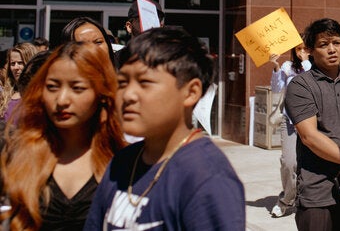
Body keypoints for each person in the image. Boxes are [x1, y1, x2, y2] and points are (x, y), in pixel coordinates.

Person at [85, 27, 245, 230]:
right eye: (122, 82)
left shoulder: (206, 177)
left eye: (145, 83)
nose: (128, 95)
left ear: (191, 92)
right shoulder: (122, 162)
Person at [1, 42, 125, 229]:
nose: (62, 100)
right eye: (52, 87)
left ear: (101, 94)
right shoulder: (17, 153)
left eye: (77, 88)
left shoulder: (122, 160)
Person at [284, 19, 340, 231]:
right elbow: (310, 137)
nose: (332, 49)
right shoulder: (301, 85)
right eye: (323, 44)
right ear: (309, 51)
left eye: (336, 43)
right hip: (317, 190)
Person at [269, 43, 312, 218]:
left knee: (309, 165)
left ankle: (304, 199)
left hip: (310, 122)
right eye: (298, 49)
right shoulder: (288, 67)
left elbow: (312, 82)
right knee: (288, 163)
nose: (302, 52)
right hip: (290, 121)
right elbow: (276, 89)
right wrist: (276, 67)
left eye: (306, 48)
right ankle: (286, 200)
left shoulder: (314, 67)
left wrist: (307, 62)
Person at [2, 42, 37, 122]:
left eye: (20, 63)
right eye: (13, 63)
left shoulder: (39, 93)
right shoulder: (6, 95)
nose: (16, 67)